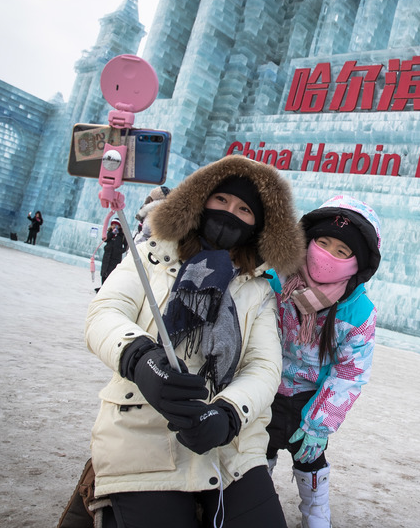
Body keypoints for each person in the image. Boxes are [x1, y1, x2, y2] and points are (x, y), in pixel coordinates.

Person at [83, 155, 303, 528]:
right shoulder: (153, 253)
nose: (229, 212)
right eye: (221, 200)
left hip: (232, 451)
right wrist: (141, 359)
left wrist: (230, 412)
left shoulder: (259, 290)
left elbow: (264, 366)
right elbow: (104, 313)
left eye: (244, 208)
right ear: (200, 199)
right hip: (143, 432)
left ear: (259, 226)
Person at [265, 195, 382, 528]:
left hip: (310, 400)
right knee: (258, 453)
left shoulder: (358, 313)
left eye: (342, 251)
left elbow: (350, 371)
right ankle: (254, 495)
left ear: (358, 264)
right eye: (323, 242)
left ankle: (315, 511)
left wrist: (318, 423)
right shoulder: (276, 279)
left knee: (310, 459)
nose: (328, 254)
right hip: (264, 388)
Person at [99, 218, 128, 286]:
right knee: (104, 271)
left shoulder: (122, 235)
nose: (114, 226)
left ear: (120, 226)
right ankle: (102, 286)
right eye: (113, 225)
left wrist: (120, 251)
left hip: (115, 257)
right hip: (107, 255)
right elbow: (105, 240)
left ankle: (108, 287)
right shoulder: (109, 233)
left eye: (116, 225)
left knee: (111, 272)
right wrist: (112, 234)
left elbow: (126, 245)